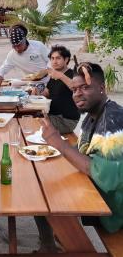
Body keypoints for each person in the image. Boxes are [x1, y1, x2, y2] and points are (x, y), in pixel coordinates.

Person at [41, 62, 123, 233]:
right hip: (99, 196)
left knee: (47, 197)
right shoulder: (93, 116)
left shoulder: (115, 122)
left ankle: (62, 244)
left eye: (85, 88)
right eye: (74, 90)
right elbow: (81, 150)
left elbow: (105, 176)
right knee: (44, 186)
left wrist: (58, 142)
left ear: (101, 88)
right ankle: (54, 241)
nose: (77, 94)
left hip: (114, 213)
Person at [35, 45, 80, 134]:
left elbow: (76, 88)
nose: (54, 62)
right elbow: (47, 92)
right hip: (51, 115)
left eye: (58, 58)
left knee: (32, 125)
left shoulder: (73, 74)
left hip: (65, 120)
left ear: (66, 60)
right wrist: (37, 90)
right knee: (26, 118)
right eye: (52, 58)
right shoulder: (54, 75)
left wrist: (61, 76)